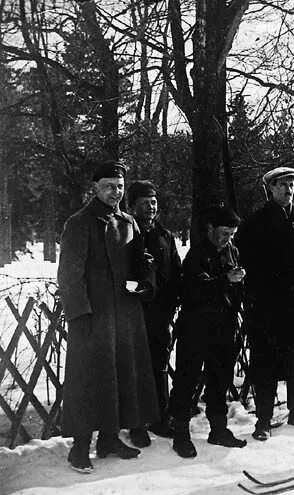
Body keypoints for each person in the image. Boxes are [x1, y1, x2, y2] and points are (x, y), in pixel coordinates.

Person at [57, 160, 159, 473]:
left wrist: (145, 278)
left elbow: (140, 261)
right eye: (109, 186)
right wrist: (81, 314)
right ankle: (79, 448)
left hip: (124, 314)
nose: (115, 192)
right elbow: (69, 274)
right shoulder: (79, 222)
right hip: (92, 316)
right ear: (95, 188)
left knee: (120, 374)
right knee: (88, 379)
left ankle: (110, 438)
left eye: (119, 187)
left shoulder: (129, 221)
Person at [236, 167, 294, 441]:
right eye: (282, 185)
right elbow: (246, 263)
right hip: (268, 306)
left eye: (291, 185)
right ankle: (263, 419)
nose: (288, 190)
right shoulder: (255, 223)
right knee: (266, 361)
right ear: (270, 189)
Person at [168, 206, 247, 458]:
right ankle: (180, 434)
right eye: (224, 233)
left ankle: (219, 430)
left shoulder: (232, 251)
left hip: (224, 328)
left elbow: (233, 289)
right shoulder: (197, 254)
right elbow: (195, 290)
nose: (228, 239)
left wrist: (240, 283)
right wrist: (227, 280)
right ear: (211, 229)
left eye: (232, 234)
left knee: (220, 378)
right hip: (196, 328)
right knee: (187, 379)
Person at [126, 180, 182, 443]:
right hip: (133, 313)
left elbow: (176, 271)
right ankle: (135, 424)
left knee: (159, 365)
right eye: (145, 202)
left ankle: (160, 419)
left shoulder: (165, 235)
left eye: (154, 201)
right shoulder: (127, 233)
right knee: (135, 367)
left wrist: (174, 302)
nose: (151, 206)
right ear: (133, 205)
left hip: (161, 314)